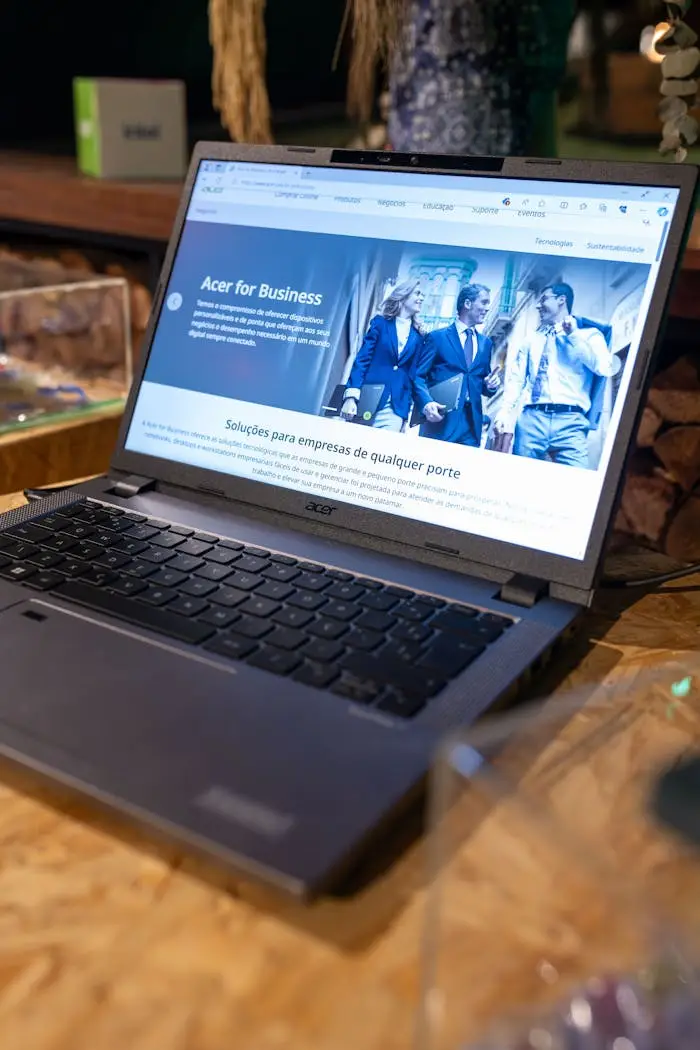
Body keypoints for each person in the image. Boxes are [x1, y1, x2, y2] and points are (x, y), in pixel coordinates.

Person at [493, 283, 617, 469]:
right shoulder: (531, 340)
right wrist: (504, 412)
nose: (537, 305)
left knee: (575, 483)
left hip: (571, 422)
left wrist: (573, 335)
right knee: (520, 479)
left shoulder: (589, 335)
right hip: (531, 420)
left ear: (561, 300)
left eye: (543, 299)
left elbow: (604, 368)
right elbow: (516, 380)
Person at [413, 283, 500, 447]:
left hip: (471, 424)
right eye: (484, 302)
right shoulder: (437, 338)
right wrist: (426, 403)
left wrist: (491, 385)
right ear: (467, 304)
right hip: (440, 420)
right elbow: (418, 377)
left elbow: (483, 385)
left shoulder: (486, 343)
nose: (487, 308)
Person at [341, 279, 425, 431]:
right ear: (404, 295)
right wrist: (351, 397)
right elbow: (362, 361)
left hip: (395, 409)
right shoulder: (380, 324)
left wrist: (405, 415)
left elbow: (411, 376)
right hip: (367, 398)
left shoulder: (419, 336)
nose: (422, 298)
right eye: (417, 293)